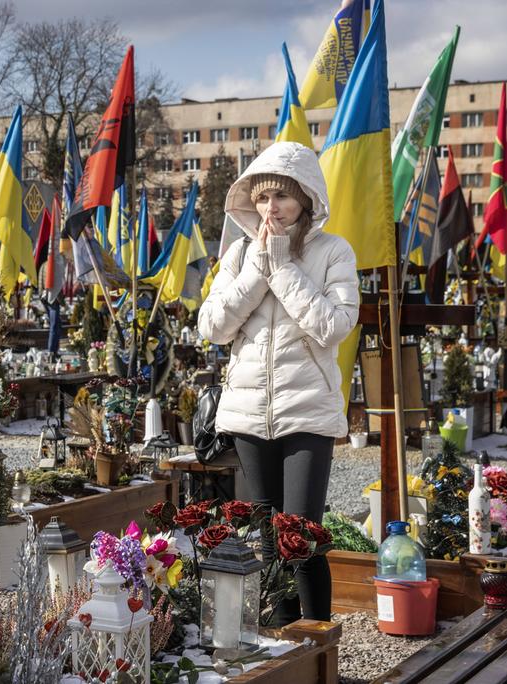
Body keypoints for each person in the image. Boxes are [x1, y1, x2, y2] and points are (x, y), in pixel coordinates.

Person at [198, 141, 359, 624]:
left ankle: (319, 649)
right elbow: (213, 326)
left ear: (306, 199)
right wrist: (257, 269)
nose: (273, 208)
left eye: (284, 197)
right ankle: (283, 649)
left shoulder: (333, 251)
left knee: (304, 537)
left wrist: (284, 266)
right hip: (249, 414)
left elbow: (334, 325)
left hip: (307, 408)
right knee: (268, 540)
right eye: (264, 197)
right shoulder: (239, 254)